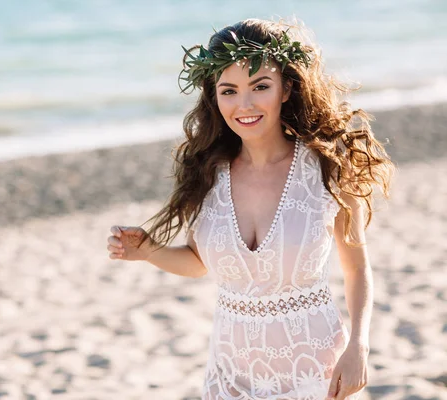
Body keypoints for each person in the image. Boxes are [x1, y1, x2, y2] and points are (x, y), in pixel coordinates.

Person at [106, 18, 393, 400]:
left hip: (316, 373)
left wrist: (359, 345)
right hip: (230, 378)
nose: (244, 105)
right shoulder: (208, 173)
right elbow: (199, 261)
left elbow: (356, 267)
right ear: (214, 96)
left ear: (286, 88)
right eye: (229, 90)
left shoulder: (327, 169)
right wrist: (149, 252)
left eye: (260, 86)